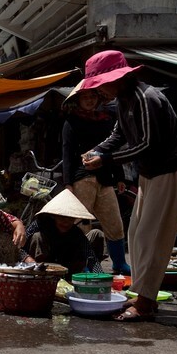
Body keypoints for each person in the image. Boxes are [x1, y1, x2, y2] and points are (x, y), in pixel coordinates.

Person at [80, 50, 177, 322]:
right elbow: (119, 134)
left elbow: (146, 144)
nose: (100, 92)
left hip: (168, 172)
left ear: (115, 79)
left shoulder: (146, 98)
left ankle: (145, 301)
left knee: (153, 238)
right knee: (137, 235)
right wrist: (97, 150)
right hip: (150, 174)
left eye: (100, 85)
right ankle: (142, 293)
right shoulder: (126, 99)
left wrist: (105, 159)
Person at [61, 81, 131, 274]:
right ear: (78, 100)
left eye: (93, 97)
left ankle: (119, 263)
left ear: (99, 98)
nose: (90, 100)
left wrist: (120, 177)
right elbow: (67, 154)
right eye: (85, 97)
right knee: (82, 225)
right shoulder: (71, 122)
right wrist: (68, 184)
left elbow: (112, 150)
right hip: (82, 179)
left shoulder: (107, 119)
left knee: (114, 223)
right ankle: (81, 265)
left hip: (105, 179)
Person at [22, 189, 104, 278]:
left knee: (97, 233)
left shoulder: (76, 233)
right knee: (37, 237)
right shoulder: (40, 224)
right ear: (54, 216)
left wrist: (101, 277)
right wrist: (28, 259)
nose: (66, 223)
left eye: (70, 219)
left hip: (67, 267)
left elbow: (90, 255)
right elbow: (19, 247)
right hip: (41, 268)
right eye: (62, 218)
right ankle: (40, 277)